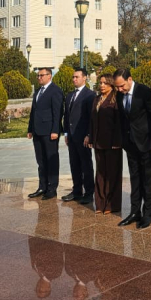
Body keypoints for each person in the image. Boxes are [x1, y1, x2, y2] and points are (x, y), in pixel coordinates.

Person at [114, 68, 151, 230]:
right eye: (117, 87)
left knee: (148, 180)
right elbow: (121, 118)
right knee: (135, 179)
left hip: (146, 143)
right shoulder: (120, 94)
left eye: (121, 86)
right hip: (130, 144)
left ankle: (147, 215)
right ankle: (135, 212)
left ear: (129, 79)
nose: (120, 90)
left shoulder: (144, 92)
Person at [86, 73, 123, 214]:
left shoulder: (116, 99)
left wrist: (117, 141)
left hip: (113, 143)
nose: (102, 85)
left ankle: (111, 205)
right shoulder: (96, 99)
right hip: (98, 142)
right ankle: (100, 204)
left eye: (105, 83)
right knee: (100, 173)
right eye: (100, 83)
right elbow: (92, 120)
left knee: (112, 174)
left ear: (111, 85)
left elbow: (119, 123)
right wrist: (90, 137)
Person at [28, 67, 64, 200]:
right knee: (41, 161)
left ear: (50, 76)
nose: (39, 78)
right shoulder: (38, 91)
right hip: (37, 131)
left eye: (41, 75)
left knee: (51, 160)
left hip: (49, 132)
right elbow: (34, 111)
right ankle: (42, 186)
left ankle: (52, 188)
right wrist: (30, 129)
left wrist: (55, 130)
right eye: (38, 76)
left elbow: (57, 112)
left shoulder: (55, 91)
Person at [62, 68, 96, 205]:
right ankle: (76, 191)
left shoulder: (90, 95)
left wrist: (89, 134)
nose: (74, 79)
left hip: (83, 137)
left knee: (86, 165)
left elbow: (91, 117)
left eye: (77, 77)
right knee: (74, 164)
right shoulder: (70, 95)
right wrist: (65, 133)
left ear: (84, 78)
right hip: (71, 136)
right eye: (73, 77)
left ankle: (88, 193)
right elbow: (67, 115)